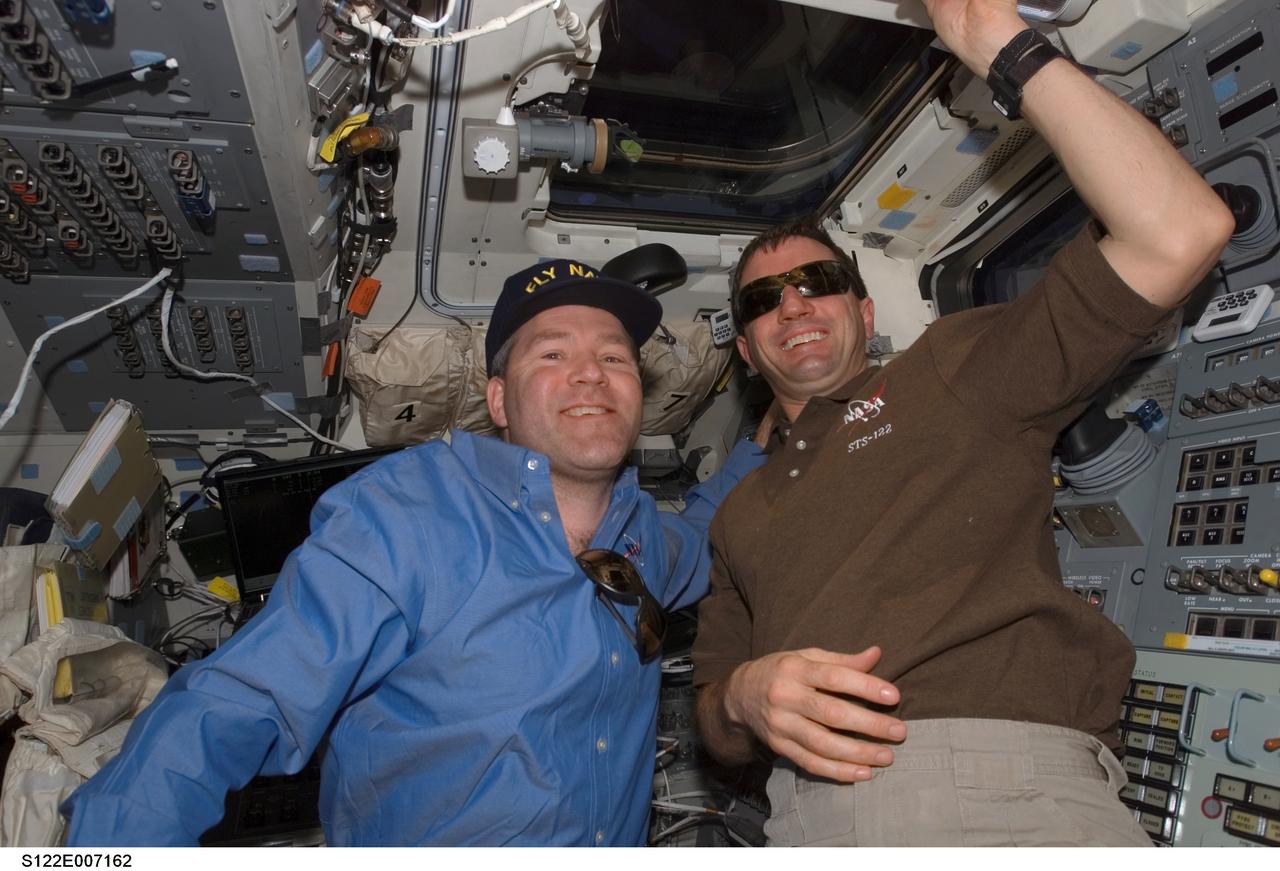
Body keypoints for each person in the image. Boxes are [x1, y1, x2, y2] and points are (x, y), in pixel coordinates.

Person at [692, 0, 1235, 847]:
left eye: (818, 283)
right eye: (763, 299)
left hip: (989, 792)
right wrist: (741, 695)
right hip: (797, 820)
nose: (792, 303)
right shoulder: (736, 514)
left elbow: (1179, 232)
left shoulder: (949, 369)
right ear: (750, 353)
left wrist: (997, 45)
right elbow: (713, 708)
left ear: (864, 314)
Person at [61, 259, 763, 846]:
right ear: (498, 399)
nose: (590, 373)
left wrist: (764, 443)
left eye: (614, 357)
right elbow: (241, 701)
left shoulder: (647, 533)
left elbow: (708, 530)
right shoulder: (407, 513)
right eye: (552, 353)